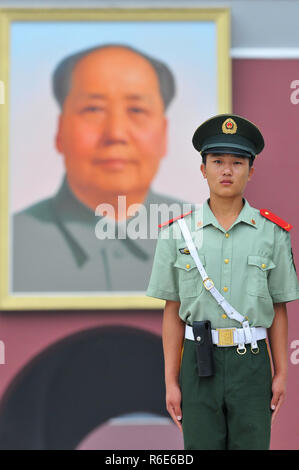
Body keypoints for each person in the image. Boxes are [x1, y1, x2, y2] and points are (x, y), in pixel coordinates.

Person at [146, 113, 299, 450]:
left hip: (252, 361)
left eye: (237, 162)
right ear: (203, 169)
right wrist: (171, 380)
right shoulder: (176, 234)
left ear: (251, 170)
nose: (227, 171)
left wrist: (281, 374)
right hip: (199, 364)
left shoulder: (272, 234)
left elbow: (278, 307)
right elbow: (173, 311)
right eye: (217, 161)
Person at [12, 44, 188, 292]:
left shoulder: (200, 233)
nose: (115, 134)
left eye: (137, 110)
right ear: (60, 131)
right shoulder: (11, 241)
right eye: (93, 109)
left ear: (164, 134)